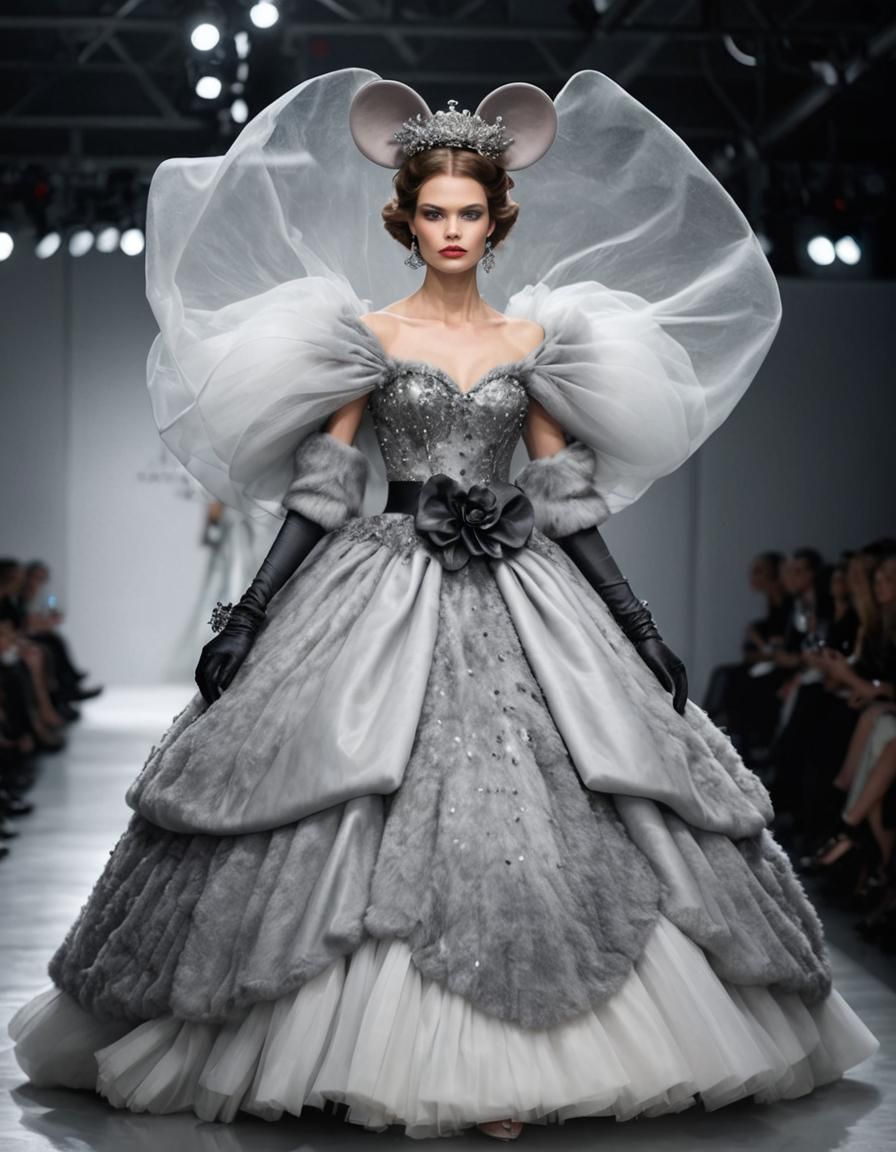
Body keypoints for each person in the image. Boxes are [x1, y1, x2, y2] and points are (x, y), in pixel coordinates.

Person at [8, 68, 878, 1139]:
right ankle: (344, 1047)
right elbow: (327, 487)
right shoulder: (365, 337)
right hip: (378, 579)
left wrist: (635, 622)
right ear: (406, 218)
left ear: (497, 218)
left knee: (565, 794)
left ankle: (514, 1061)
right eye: (433, 212)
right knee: (337, 776)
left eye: (469, 212)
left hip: (523, 584)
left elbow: (561, 497)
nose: (452, 230)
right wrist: (252, 613)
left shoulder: (532, 345)